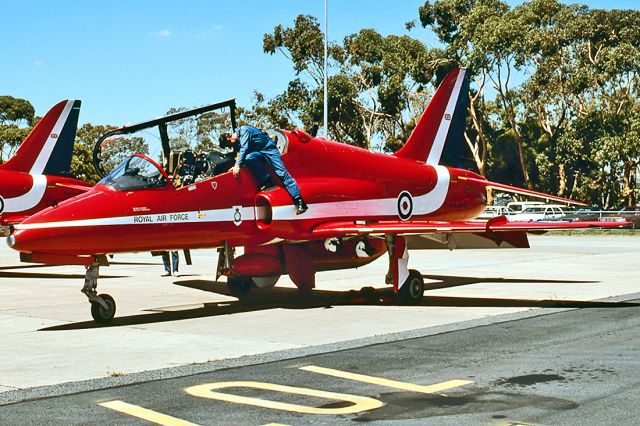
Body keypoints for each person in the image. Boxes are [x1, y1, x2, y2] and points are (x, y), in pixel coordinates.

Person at [219, 125, 308, 215]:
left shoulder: (244, 131)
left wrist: (237, 165)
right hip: (258, 152)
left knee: (281, 173)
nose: (231, 146)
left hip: (269, 149)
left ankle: (299, 201)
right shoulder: (238, 140)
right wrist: (234, 165)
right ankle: (267, 180)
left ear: (229, 139)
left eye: (229, 145)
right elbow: (240, 154)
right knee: (249, 158)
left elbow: (244, 148)